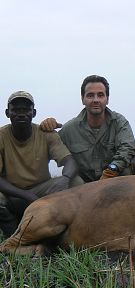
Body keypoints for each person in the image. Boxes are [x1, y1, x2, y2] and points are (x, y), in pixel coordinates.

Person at [0, 91, 78, 238]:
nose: (21, 114)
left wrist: (65, 178)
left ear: (33, 113)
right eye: (16, 110)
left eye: (26, 110)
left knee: (76, 182)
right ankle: (13, 234)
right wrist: (26, 195)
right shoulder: (1, 136)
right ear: (7, 113)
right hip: (12, 193)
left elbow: (69, 160)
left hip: (41, 192)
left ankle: (73, 230)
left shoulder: (46, 134)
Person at [40, 75, 135, 182]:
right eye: (90, 95)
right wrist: (46, 128)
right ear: (82, 99)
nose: (96, 100)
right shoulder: (69, 129)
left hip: (112, 178)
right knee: (74, 181)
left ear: (107, 99)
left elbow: (128, 148)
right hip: (84, 186)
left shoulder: (119, 122)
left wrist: (110, 172)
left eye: (100, 95)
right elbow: (47, 149)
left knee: (128, 171)